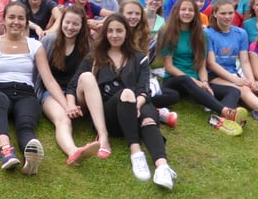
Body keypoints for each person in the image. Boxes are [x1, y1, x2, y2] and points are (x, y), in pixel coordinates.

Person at [68, 14, 178, 189]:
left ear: (127, 33)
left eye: (119, 31)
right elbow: (73, 84)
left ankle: (162, 167)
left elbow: (144, 89)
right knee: (126, 93)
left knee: (148, 117)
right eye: (110, 31)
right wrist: (70, 104)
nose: (114, 35)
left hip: (137, 104)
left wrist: (138, 104)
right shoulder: (94, 56)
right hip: (110, 113)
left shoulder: (139, 57)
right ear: (105, 33)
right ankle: (136, 153)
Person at [0, 2, 72, 174]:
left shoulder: (35, 46)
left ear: (26, 22)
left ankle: (31, 156)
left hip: (26, 93)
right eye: (11, 17)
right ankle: (6, 150)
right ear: (4, 20)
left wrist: (66, 106)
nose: (16, 21)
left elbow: (48, 79)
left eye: (21, 18)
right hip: (0, 90)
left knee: (26, 125)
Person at [157, 0, 248, 133]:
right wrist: (195, 82)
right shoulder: (167, 32)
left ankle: (219, 120)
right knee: (185, 80)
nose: (187, 13)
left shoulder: (201, 34)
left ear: (196, 13)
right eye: (183, 9)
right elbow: (169, 67)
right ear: (176, 11)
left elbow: (201, 65)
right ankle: (225, 111)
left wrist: (204, 82)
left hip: (196, 82)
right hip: (174, 79)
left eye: (190, 10)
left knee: (234, 90)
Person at [37, 5, 99, 165]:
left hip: (76, 92)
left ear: (82, 26)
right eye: (67, 22)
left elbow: (83, 79)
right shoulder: (49, 41)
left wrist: (72, 103)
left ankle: (101, 132)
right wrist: (67, 105)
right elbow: (47, 79)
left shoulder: (88, 46)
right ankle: (73, 152)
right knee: (63, 119)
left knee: (87, 78)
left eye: (75, 24)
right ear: (61, 22)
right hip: (51, 92)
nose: (70, 27)